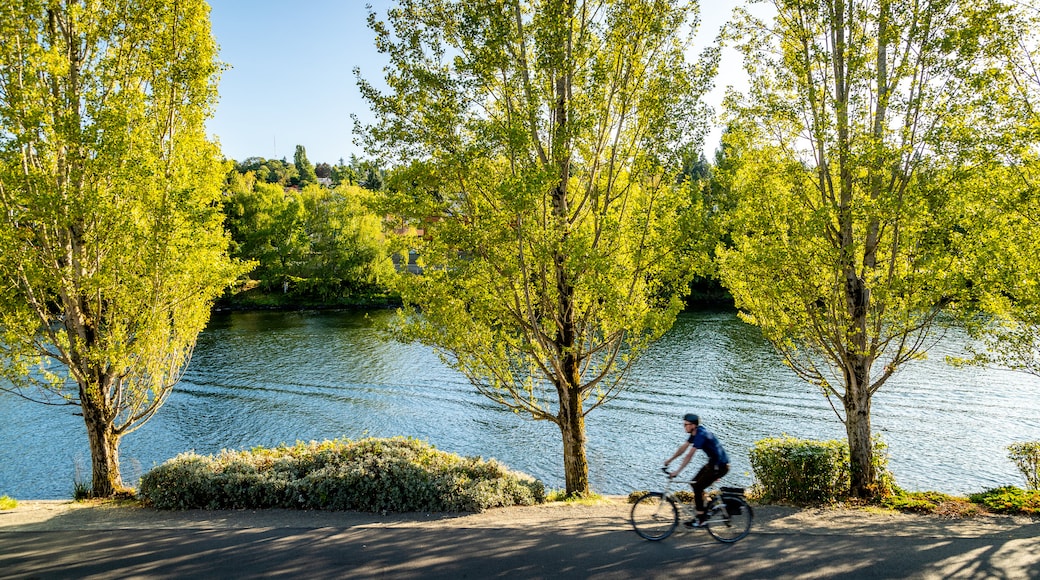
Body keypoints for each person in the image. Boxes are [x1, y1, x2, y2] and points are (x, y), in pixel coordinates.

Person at [663, 413, 730, 527]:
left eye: (686, 425)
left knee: (698, 487)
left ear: (693, 425)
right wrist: (670, 460)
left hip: (720, 466)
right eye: (683, 424)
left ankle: (700, 519)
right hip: (713, 463)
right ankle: (707, 508)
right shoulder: (695, 433)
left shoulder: (701, 435)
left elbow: (689, 456)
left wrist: (677, 472)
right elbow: (683, 448)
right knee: (694, 484)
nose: (684, 427)